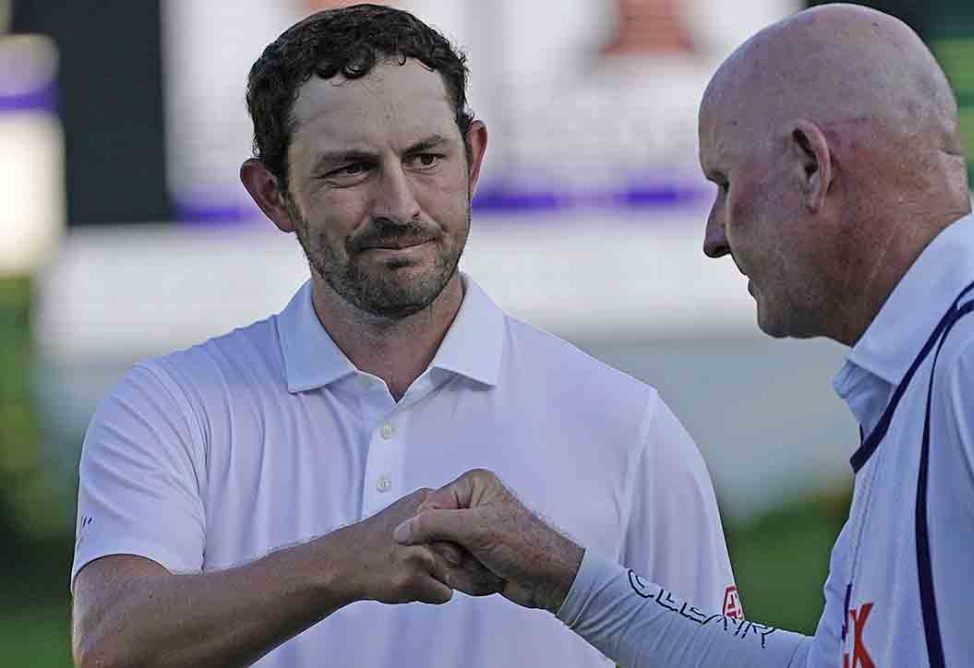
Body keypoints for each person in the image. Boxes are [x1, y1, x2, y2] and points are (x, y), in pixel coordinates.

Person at [396, 5, 974, 667]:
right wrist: (562, 576)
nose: (713, 235)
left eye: (724, 184)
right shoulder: (944, 366)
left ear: (813, 166)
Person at [69, 6, 736, 667]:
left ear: (473, 157)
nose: (399, 206)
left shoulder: (626, 425)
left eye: (425, 158)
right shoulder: (172, 409)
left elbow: (716, 659)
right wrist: (343, 562)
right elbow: (112, 644)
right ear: (272, 194)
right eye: (350, 169)